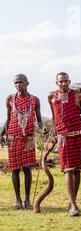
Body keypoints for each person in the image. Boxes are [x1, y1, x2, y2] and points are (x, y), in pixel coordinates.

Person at [48, 72, 81, 217]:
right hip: (63, 138)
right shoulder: (51, 97)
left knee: (77, 170)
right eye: (61, 81)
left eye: (66, 81)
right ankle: (73, 205)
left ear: (69, 81)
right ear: (56, 82)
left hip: (77, 135)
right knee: (68, 170)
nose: (64, 84)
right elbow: (54, 116)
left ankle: (72, 202)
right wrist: (55, 133)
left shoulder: (78, 95)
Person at [1, 74, 46, 210]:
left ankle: (27, 200)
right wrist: (1, 133)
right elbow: (8, 119)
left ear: (27, 83)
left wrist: (42, 127)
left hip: (29, 140)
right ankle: (18, 200)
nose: (18, 85)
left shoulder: (34, 100)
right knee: (15, 169)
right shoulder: (10, 99)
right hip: (13, 139)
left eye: (21, 82)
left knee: (27, 169)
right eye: (15, 83)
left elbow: (39, 120)